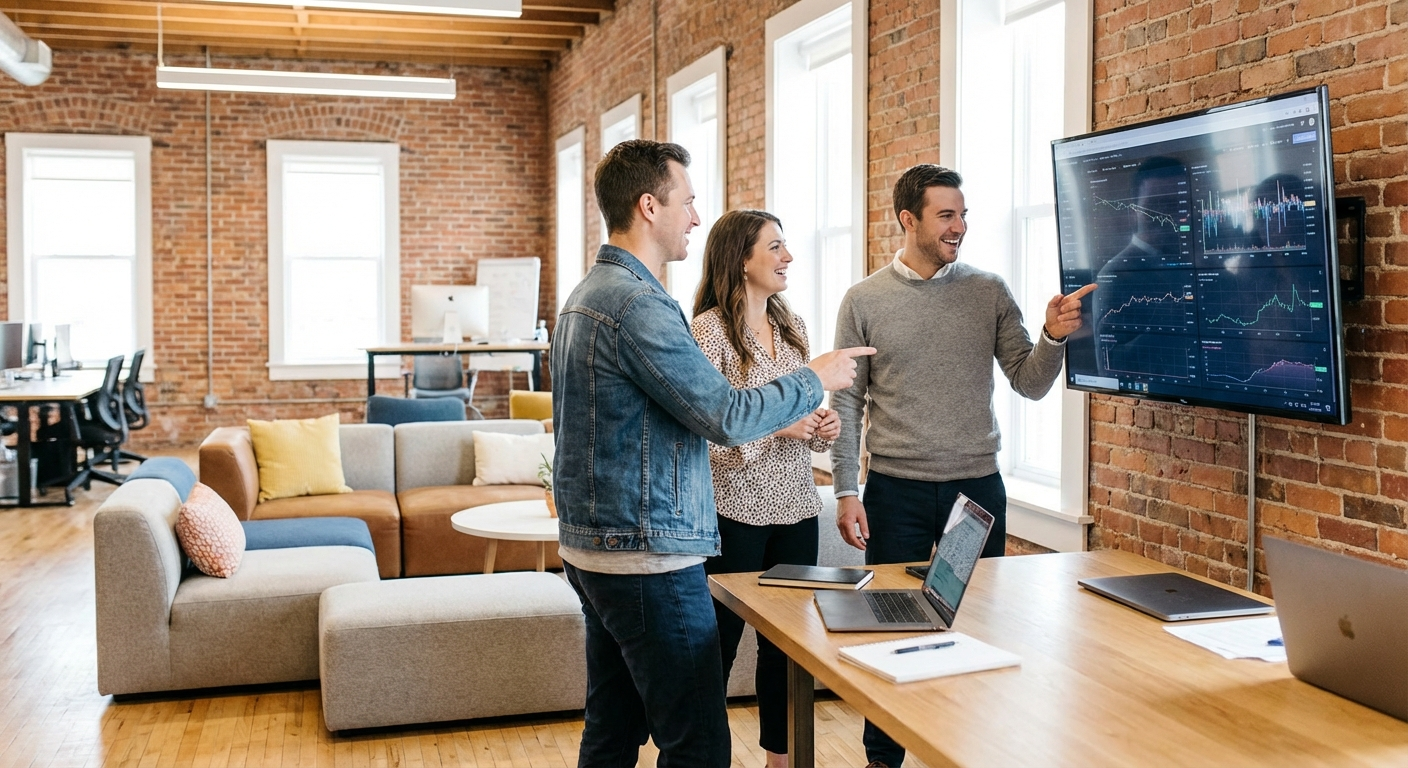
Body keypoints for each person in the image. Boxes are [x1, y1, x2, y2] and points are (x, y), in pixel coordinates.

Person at [550, 139, 875, 767]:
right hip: (645, 555)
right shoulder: (640, 306)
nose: (696, 218)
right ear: (650, 206)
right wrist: (815, 377)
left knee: (613, 729)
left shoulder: (587, 295)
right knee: (697, 743)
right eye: (689, 201)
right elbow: (725, 416)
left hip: (595, 545)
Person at [830, 164, 1095, 768]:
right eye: (946, 215)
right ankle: (882, 759)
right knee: (892, 630)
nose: (960, 227)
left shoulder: (988, 290)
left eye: (964, 215)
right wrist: (848, 489)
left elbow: (1028, 383)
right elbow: (846, 401)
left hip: (977, 491)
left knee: (972, 629)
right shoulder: (864, 300)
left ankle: (965, 748)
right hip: (894, 491)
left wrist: (1053, 337)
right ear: (909, 219)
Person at [691, 209, 839, 768]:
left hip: (798, 507)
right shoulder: (706, 332)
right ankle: (704, 757)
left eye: (786, 246)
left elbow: (806, 413)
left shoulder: (792, 326)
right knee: (719, 645)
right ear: (742, 259)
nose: (788, 258)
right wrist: (783, 423)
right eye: (775, 247)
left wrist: (823, 426)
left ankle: (782, 757)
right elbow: (704, 431)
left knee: (789, 645)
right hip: (735, 511)